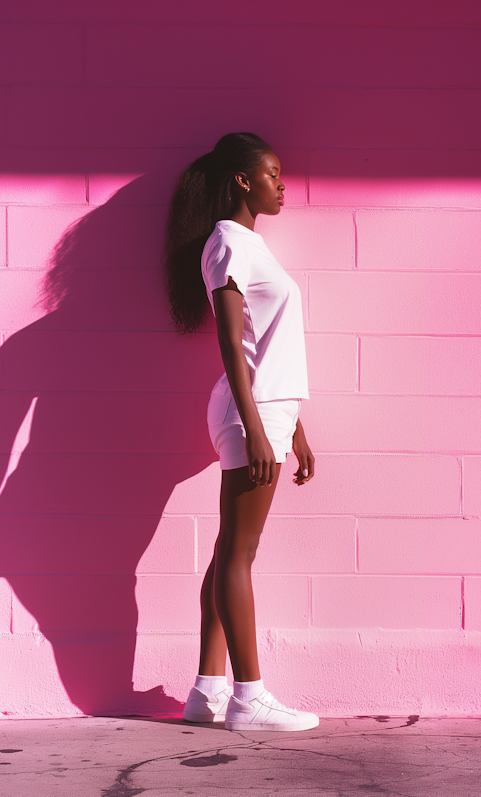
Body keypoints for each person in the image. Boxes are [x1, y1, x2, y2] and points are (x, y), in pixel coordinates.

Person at [164, 132, 318, 732]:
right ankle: (248, 698)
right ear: (241, 181)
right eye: (272, 173)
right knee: (240, 552)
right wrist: (258, 428)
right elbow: (230, 342)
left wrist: (294, 425)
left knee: (232, 547)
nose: (282, 184)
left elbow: (263, 345)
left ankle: (207, 689)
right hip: (250, 412)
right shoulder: (228, 241)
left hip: (268, 410)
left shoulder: (248, 244)